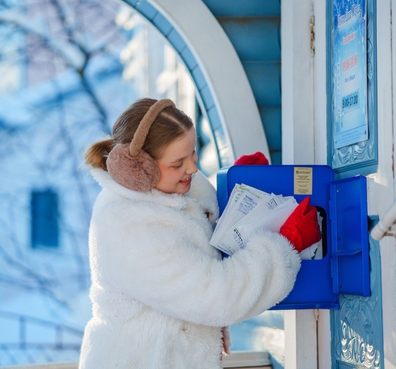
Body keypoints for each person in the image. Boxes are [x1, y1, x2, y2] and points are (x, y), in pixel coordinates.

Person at [78, 98, 319, 369]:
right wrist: (284, 244)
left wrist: (239, 192)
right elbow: (218, 296)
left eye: (193, 154)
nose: (192, 168)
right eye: (178, 163)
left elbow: (199, 239)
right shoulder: (130, 226)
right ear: (138, 170)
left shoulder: (166, 191)